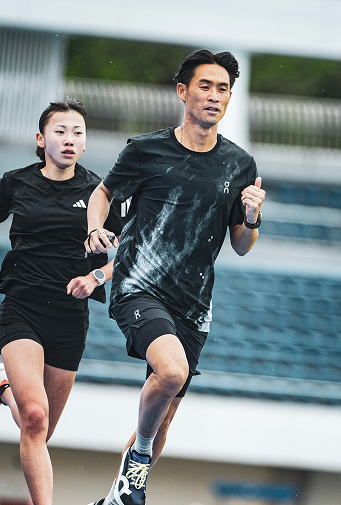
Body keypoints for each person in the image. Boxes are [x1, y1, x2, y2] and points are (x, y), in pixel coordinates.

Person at [84, 49, 266, 505]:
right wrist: (94, 230)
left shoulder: (239, 165)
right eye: (205, 86)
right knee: (170, 372)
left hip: (193, 306)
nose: (214, 96)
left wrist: (251, 216)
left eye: (223, 89)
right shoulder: (146, 150)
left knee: (163, 417)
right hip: (139, 286)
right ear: (183, 91)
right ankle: (138, 463)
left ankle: (115, 497)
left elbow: (241, 245)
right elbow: (102, 194)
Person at [0, 99, 124, 505]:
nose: (69, 139)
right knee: (34, 417)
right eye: (60, 131)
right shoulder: (16, 182)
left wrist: (96, 276)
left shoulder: (99, 193)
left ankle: (1, 389)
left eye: (78, 133)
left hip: (71, 319)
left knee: (41, 430)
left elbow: (127, 251)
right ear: (41, 138)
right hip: (22, 308)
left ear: (85, 143)